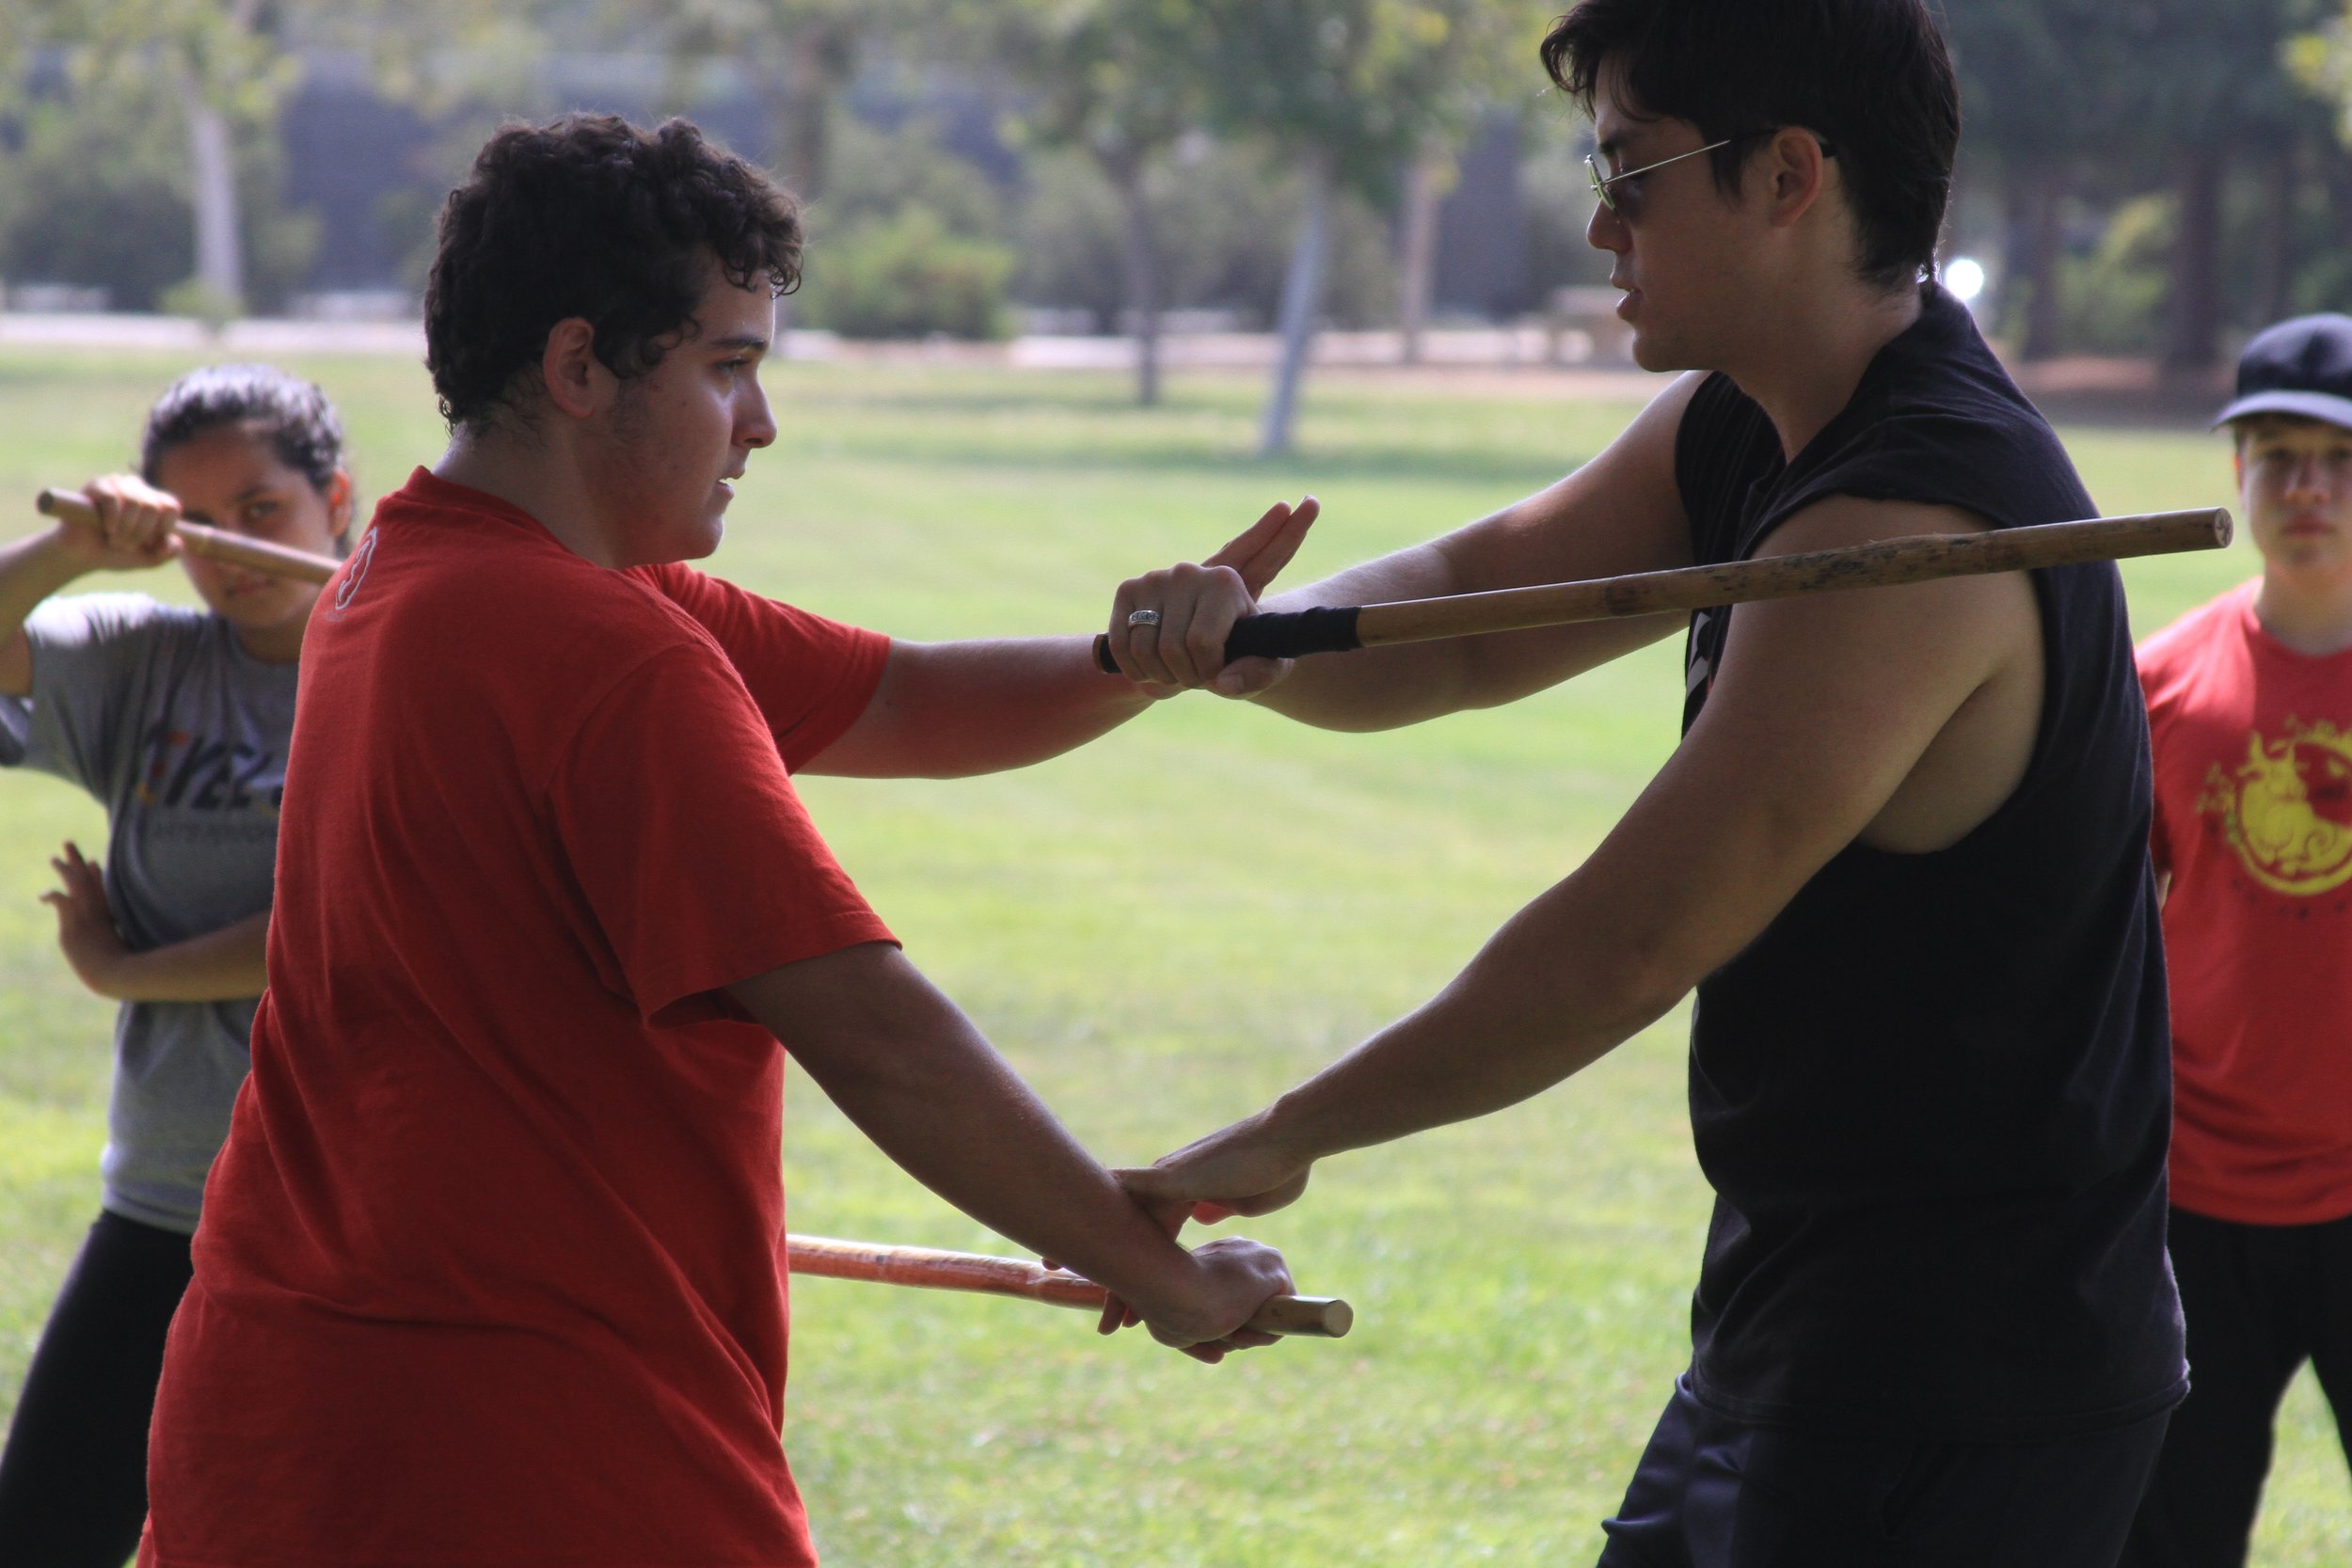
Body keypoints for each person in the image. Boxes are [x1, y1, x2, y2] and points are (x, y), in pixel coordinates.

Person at [1096, 1, 2184, 1562]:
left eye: (1634, 170)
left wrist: (1289, 1127)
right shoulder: (1748, 421)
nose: (1600, 223)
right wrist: (1261, 640)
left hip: (1964, 1378)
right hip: (1806, 1316)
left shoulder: (1904, 534)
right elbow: (1474, 611)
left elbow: (1630, 939)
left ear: (1791, 175)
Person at [136, 115, 1295, 1568]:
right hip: (527, 1448)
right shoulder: (606, 649)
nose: (760, 423)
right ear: (578, 368)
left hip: (280, 1408)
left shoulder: (403, 576)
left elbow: (909, 694)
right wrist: (1157, 1270)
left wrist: (1143, 659)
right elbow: (876, 1032)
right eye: (727, 367)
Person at [0, 365, 356, 1568]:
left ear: (336, 500)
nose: (229, 548)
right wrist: (71, 548)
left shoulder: (403, 661)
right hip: (171, 1192)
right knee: (46, 1528)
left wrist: (121, 972)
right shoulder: (148, 660)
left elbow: (332, 929)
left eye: (260, 509)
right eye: (193, 519)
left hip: (365, 1210)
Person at [2119, 316, 2352, 1568]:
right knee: (2169, 1536)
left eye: (2340, 458)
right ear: (2238, 476)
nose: (2308, 487)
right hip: (2197, 1196)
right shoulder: (2162, 684)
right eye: (2278, 454)